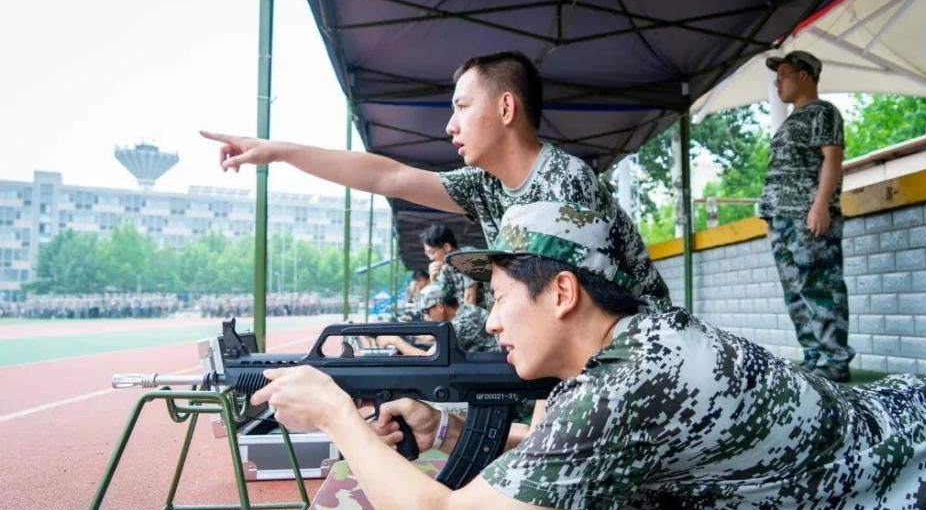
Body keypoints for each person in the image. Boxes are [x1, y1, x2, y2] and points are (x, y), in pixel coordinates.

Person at [251, 201, 926, 510]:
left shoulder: (631, 382)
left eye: (502, 297)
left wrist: (336, 414)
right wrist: (445, 429)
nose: (492, 321)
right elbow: (570, 450)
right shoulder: (632, 354)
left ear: (563, 291)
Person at [201, 50, 671, 313]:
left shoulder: (566, 182)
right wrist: (278, 151)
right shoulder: (485, 184)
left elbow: (579, 314)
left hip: (639, 352)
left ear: (506, 109)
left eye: (462, 107)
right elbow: (391, 175)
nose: (450, 125)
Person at [760, 50, 854, 383]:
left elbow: (832, 160)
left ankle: (834, 360)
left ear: (805, 76)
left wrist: (820, 205)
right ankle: (815, 357)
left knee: (820, 288)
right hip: (783, 220)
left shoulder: (823, 112)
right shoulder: (791, 121)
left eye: (783, 74)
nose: (777, 82)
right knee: (796, 293)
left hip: (806, 216)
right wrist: (772, 221)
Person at [378, 283, 498, 355]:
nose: (425, 317)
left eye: (426, 311)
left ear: (440, 307)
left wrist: (395, 341)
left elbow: (429, 358)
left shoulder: (463, 321)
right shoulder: (465, 312)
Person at [419, 224, 478, 306]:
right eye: (427, 254)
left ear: (447, 247)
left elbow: (470, 298)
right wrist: (433, 279)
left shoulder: (466, 257)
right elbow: (440, 301)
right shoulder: (446, 267)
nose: (431, 258)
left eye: (432, 252)